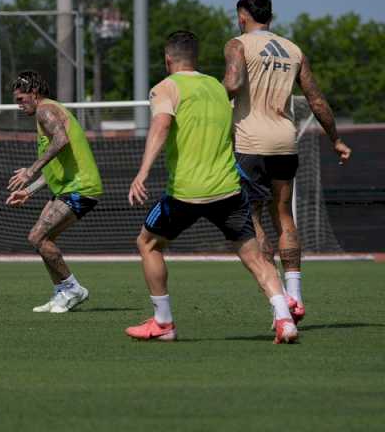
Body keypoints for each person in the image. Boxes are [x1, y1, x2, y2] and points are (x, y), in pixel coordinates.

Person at [127, 30, 298, 344]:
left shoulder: (165, 87)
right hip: (228, 191)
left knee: (148, 243)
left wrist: (142, 172)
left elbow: (161, 125)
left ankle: (163, 323)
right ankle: (285, 319)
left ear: (168, 60)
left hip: (186, 193)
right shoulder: (219, 89)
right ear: (197, 59)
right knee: (255, 258)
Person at [222, 0, 351, 323]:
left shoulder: (237, 45)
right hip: (285, 141)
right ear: (271, 17)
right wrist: (335, 139)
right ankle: (296, 294)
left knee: (252, 217)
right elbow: (316, 99)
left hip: (250, 143)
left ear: (242, 15)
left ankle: (278, 300)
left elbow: (233, 84)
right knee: (283, 214)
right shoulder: (293, 50)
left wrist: (212, 97)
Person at [5, 70, 102, 313]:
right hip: (66, 188)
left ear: (34, 94)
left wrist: (30, 171)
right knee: (41, 241)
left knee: (37, 237)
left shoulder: (45, 110)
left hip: (80, 187)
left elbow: (61, 141)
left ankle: (73, 289)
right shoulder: (46, 112)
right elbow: (56, 167)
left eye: (20, 99)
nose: (18, 105)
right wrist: (29, 190)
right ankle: (61, 293)